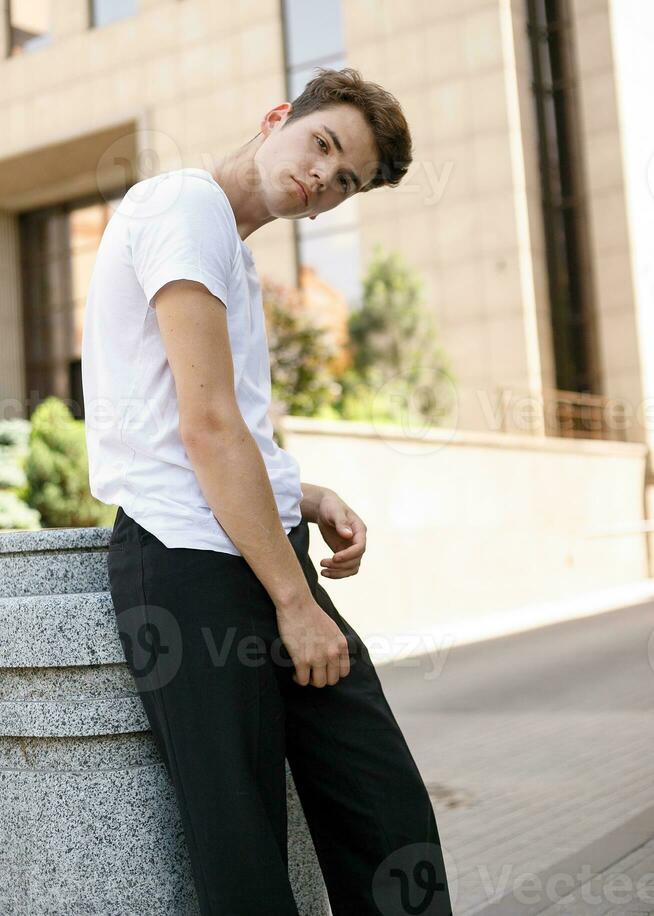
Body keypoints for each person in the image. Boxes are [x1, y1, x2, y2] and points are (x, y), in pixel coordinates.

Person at [81, 66, 453, 915]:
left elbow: (215, 421)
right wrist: (294, 601)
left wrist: (303, 493)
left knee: (385, 815)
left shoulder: (228, 255)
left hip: (247, 546)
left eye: (345, 180)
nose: (323, 179)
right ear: (278, 117)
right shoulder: (183, 208)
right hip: (190, 567)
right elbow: (204, 428)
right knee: (242, 853)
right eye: (324, 145)